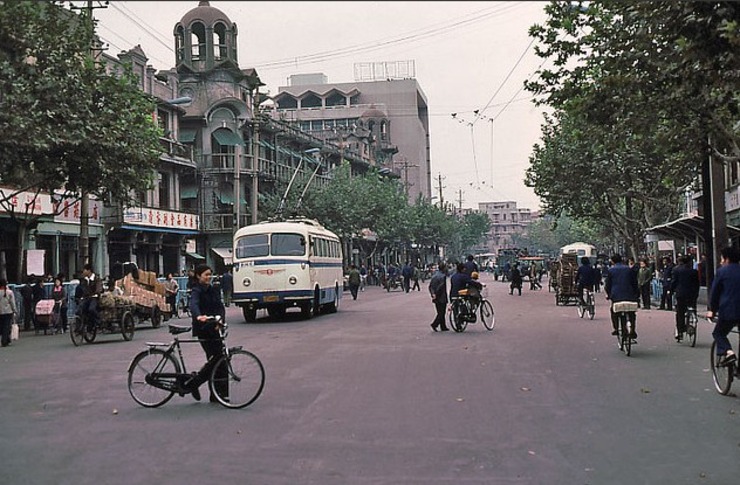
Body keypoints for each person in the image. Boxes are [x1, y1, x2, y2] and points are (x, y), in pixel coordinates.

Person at [186, 264, 227, 403]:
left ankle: (219, 394)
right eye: (206, 275)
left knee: (221, 360)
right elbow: (194, 304)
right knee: (216, 359)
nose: (209, 277)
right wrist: (198, 316)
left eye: (210, 274)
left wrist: (220, 319)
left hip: (215, 328)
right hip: (203, 330)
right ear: (199, 276)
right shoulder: (196, 290)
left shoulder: (213, 289)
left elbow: (220, 307)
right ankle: (195, 383)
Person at [707, 246, 740, 365]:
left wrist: (712, 310)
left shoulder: (722, 272)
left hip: (729, 310)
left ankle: (728, 352)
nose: (721, 261)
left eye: (722, 259)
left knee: (718, 333)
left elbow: (715, 292)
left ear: (727, 259)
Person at [605, 254, 639, 340]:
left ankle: (616, 328)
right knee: (631, 313)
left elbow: (608, 285)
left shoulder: (611, 270)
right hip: (629, 294)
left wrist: (608, 295)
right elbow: (634, 283)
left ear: (612, 261)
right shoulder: (629, 269)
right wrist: (637, 294)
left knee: (614, 311)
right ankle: (633, 330)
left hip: (616, 295)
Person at [671, 255, 700, 342]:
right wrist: (696, 294)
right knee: (692, 308)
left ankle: (680, 331)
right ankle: (693, 318)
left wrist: (671, 290)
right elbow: (697, 284)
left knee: (680, 312)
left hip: (681, 294)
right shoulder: (694, 271)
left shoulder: (676, 270)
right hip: (691, 295)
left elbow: (674, 282)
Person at [78, 264, 104, 332]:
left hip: (95, 298)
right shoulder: (84, 280)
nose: (83, 272)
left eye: (84, 270)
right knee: (80, 309)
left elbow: (99, 288)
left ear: (89, 271)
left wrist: (96, 293)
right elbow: (83, 289)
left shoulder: (97, 278)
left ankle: (99, 321)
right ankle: (83, 325)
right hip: (87, 298)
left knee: (91, 309)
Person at [428, 262, 449, 332]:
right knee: (441, 313)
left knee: (440, 312)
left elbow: (430, 286)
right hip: (441, 296)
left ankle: (443, 326)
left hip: (436, 296)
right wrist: (436, 294)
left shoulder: (434, 276)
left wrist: (433, 294)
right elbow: (441, 287)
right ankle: (434, 324)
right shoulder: (443, 276)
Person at [0, 279, 18, 347]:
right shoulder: (9, 292)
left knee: (2, 326)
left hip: (0, 311)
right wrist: (15, 310)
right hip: (8, 311)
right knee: (7, 326)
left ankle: (6, 339)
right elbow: (12, 303)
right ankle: (5, 340)